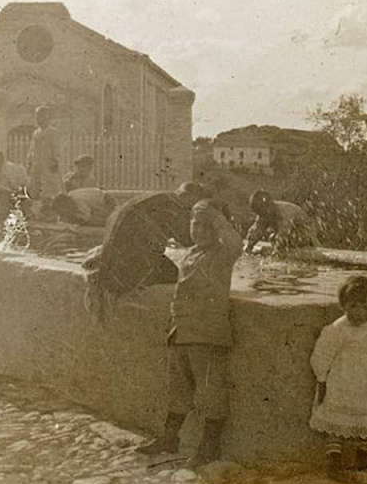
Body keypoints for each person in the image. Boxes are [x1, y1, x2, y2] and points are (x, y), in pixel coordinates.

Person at [137, 200, 243, 467]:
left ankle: (210, 446)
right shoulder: (191, 253)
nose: (201, 230)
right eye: (196, 224)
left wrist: (217, 217)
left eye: (207, 225)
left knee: (209, 391)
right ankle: (170, 437)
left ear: (217, 228)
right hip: (182, 330)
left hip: (207, 333)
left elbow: (235, 243)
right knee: (179, 387)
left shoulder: (221, 254)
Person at [310, 275, 367, 481]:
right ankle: (334, 463)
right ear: (344, 305)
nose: (360, 312)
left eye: (366, 307)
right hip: (343, 383)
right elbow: (322, 355)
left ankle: (361, 460)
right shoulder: (337, 329)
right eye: (354, 306)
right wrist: (322, 379)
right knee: (337, 422)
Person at [83, 182, 207, 310]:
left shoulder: (158, 197)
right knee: (174, 274)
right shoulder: (174, 207)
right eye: (195, 204)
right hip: (128, 257)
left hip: (114, 249)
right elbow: (189, 240)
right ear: (187, 197)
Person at [244, 190, 320, 253]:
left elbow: (284, 233)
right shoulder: (264, 213)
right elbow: (257, 229)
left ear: (268, 206)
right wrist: (249, 246)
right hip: (292, 235)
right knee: (273, 238)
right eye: (259, 213)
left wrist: (275, 253)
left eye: (262, 212)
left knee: (275, 239)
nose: (261, 216)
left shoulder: (285, 212)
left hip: (306, 235)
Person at [27, 106, 63, 203]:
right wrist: (30, 161)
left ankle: (51, 207)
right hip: (37, 164)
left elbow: (56, 148)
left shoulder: (53, 132)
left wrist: (55, 161)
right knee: (35, 187)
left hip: (48, 164)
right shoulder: (36, 133)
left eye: (43, 116)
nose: (40, 119)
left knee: (50, 188)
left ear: (48, 118)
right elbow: (32, 149)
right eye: (38, 117)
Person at [51, 188, 117, 227]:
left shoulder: (78, 202)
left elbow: (87, 218)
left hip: (107, 202)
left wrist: (75, 220)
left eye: (63, 213)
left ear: (66, 206)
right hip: (100, 198)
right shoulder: (70, 196)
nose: (64, 215)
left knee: (96, 222)